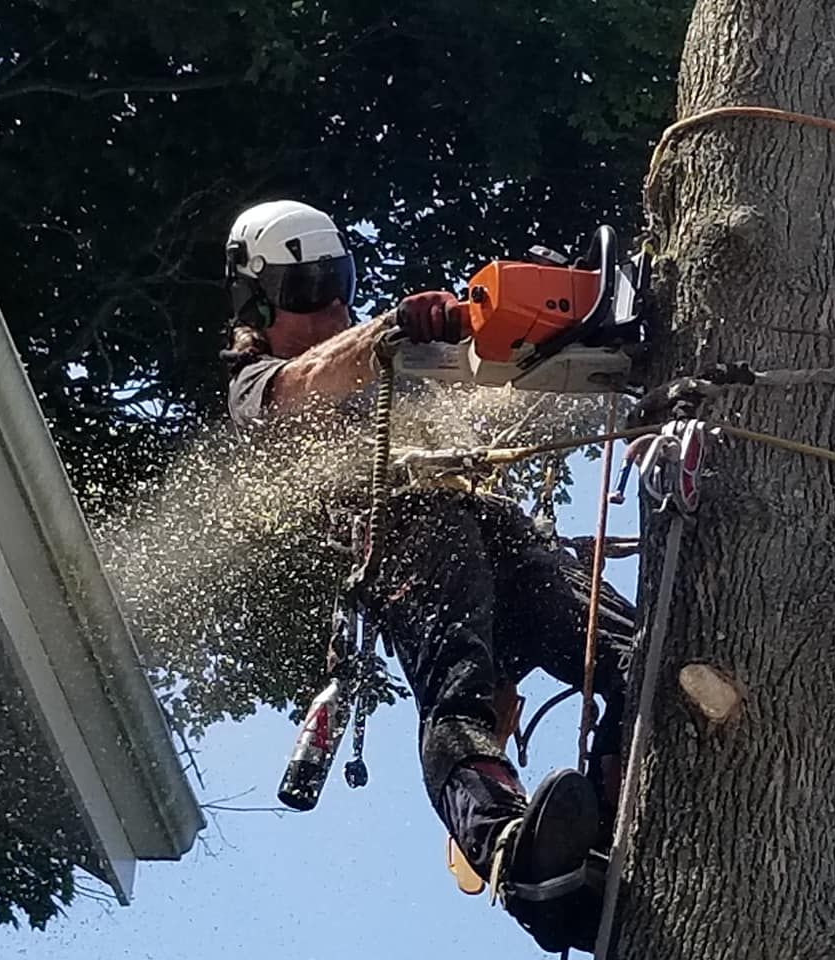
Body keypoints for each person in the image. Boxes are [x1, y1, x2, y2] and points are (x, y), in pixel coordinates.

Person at [222, 199, 635, 954]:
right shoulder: (259, 382)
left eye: (338, 280)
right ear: (258, 303)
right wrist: (388, 330)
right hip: (404, 531)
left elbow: (501, 380)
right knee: (460, 691)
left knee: (637, 655)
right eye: (307, 289)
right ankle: (518, 858)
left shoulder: (406, 362)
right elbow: (304, 384)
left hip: (499, 529)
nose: (332, 304)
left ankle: (616, 810)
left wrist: (532, 321)